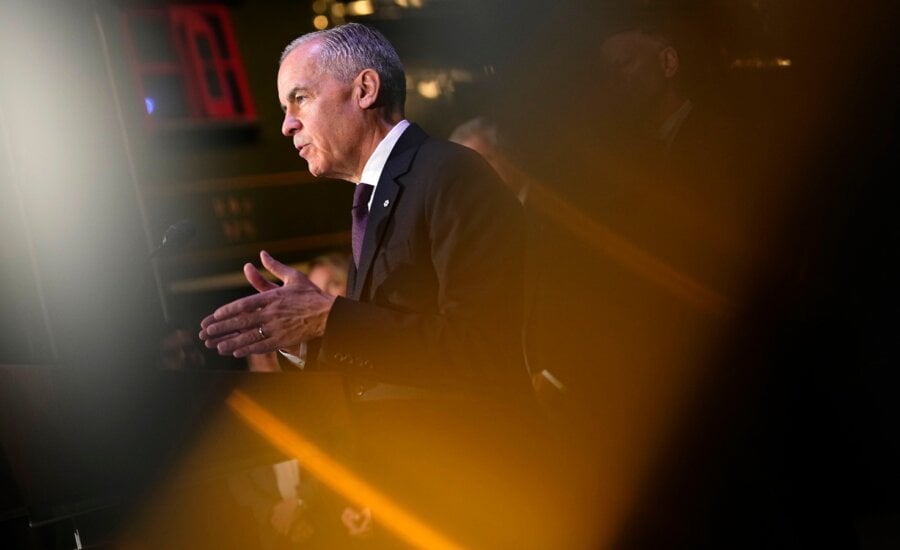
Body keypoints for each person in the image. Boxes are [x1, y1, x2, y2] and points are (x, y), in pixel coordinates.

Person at [200, 23, 549, 548]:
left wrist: (329, 318)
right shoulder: (377, 195)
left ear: (364, 89)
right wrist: (308, 335)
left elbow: (482, 347)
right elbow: (391, 353)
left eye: (300, 98)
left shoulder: (450, 174)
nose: (287, 125)